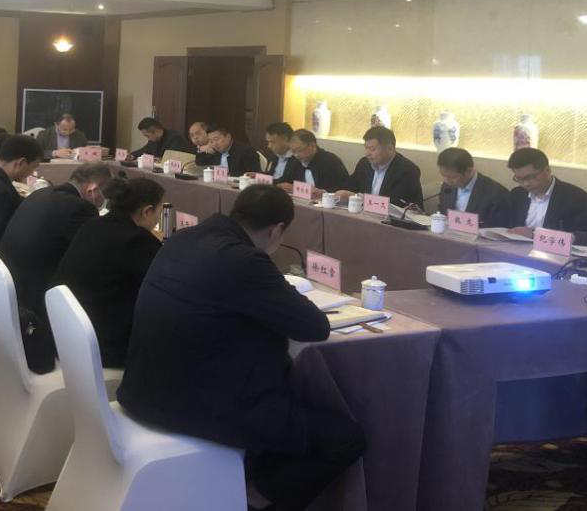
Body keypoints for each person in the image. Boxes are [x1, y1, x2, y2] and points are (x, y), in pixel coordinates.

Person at [118, 185, 365, 511]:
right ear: (276, 230)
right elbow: (315, 326)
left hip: (144, 388)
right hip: (191, 406)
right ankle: (256, 499)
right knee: (345, 438)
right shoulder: (244, 259)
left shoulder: (184, 238)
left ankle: (243, 483)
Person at [54, 176, 164, 369]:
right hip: (102, 349)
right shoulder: (136, 241)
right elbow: (165, 287)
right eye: (159, 212)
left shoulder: (93, 225)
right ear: (147, 211)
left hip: (66, 335)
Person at [0, 162, 113, 313]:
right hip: (35, 298)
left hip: (9, 282)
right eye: (107, 194)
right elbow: (92, 256)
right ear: (93, 189)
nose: (106, 200)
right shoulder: (81, 208)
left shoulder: (40, 193)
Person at [505, 147, 587, 234]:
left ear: (547, 170)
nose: (526, 184)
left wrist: (534, 234)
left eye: (531, 177)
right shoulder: (517, 195)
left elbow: (582, 237)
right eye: (519, 179)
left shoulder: (576, 198)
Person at [339, 126, 424, 209]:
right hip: (363, 216)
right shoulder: (364, 164)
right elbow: (348, 188)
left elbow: (394, 206)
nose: (367, 154)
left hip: (395, 218)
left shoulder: (408, 171)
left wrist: (358, 198)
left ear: (390, 148)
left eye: (372, 149)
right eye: (366, 148)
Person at [434, 148, 511, 228]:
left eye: (452, 177)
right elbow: (442, 215)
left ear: (469, 171)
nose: (446, 181)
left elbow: (495, 227)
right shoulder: (447, 187)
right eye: (443, 175)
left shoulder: (496, 193)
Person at [275, 129, 349, 195]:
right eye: (293, 151)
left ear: (312, 145)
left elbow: (344, 187)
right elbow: (284, 180)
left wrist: (323, 192)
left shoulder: (330, 161)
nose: (296, 155)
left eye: (299, 150)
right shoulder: (295, 160)